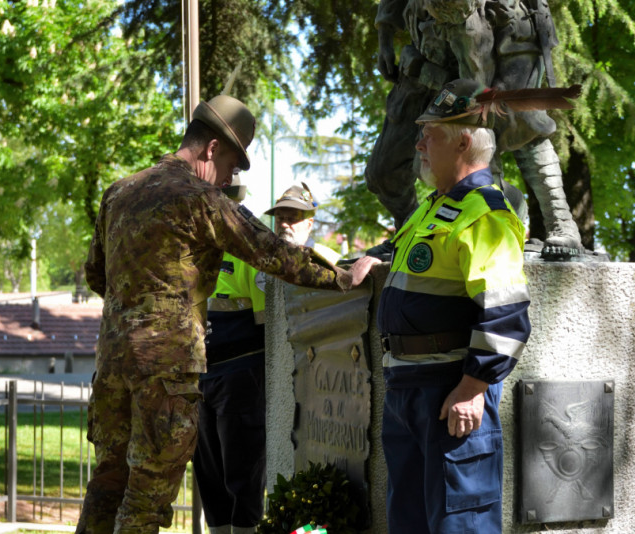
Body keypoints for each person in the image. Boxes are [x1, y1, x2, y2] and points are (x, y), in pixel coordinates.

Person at [78, 94, 379, 534]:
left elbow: (95, 274)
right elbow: (271, 252)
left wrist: (136, 309)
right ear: (212, 149)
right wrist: (341, 277)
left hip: (112, 365)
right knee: (146, 496)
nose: (228, 179)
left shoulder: (119, 192)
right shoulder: (200, 199)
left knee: (107, 482)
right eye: (232, 167)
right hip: (166, 371)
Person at [377, 79, 531, 533]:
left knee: (460, 524)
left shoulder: (485, 214)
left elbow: (506, 313)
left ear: (464, 140)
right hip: (407, 386)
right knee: (409, 522)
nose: (420, 144)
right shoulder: (433, 209)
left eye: (431, 135)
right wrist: (373, 256)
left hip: (449, 391)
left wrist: (472, 387)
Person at [366, 0, 582, 258]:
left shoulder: (468, 27)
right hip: (426, 36)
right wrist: (385, 33)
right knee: (383, 171)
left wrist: (422, 70)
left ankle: (559, 221)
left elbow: (474, 98)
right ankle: (409, 231)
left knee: (519, 122)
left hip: (507, 27)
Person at [193, 183, 340, 534]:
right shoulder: (204, 249)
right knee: (209, 470)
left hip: (240, 373)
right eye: (280, 217)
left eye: (295, 217)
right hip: (202, 374)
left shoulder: (263, 256)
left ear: (310, 222)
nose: (285, 223)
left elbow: (267, 325)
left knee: (241, 471)